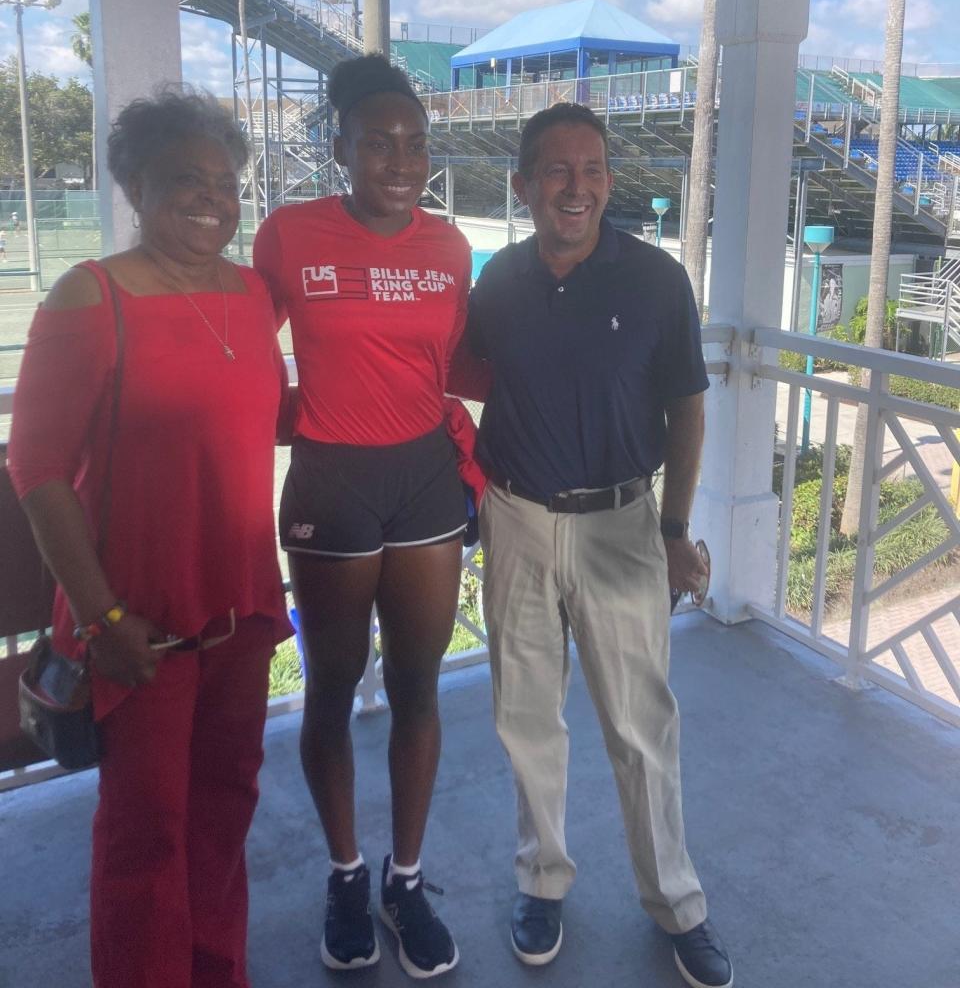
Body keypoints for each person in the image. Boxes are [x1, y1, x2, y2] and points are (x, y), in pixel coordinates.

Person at [7, 89, 292, 988]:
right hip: (136, 622)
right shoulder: (90, 297)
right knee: (144, 831)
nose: (210, 198)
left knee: (224, 810)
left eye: (225, 182)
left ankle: (218, 971)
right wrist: (99, 617)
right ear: (134, 183)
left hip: (239, 611)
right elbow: (36, 466)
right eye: (183, 181)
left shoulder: (252, 296)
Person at [454, 103, 733, 988]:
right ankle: (542, 881)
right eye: (559, 171)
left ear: (609, 180)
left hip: (623, 523)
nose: (579, 187)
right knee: (527, 717)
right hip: (519, 519)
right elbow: (453, 378)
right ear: (524, 185)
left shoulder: (656, 280)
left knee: (641, 726)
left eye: (594, 169)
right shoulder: (496, 279)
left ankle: (677, 902)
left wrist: (676, 527)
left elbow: (687, 406)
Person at [253, 54, 472, 980]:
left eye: (415, 144)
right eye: (377, 142)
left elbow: (459, 364)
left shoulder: (451, 247)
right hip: (330, 484)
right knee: (334, 689)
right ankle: (347, 874)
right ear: (337, 146)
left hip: (424, 480)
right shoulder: (287, 234)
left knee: (420, 687)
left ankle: (406, 880)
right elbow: (237, 348)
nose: (399, 159)